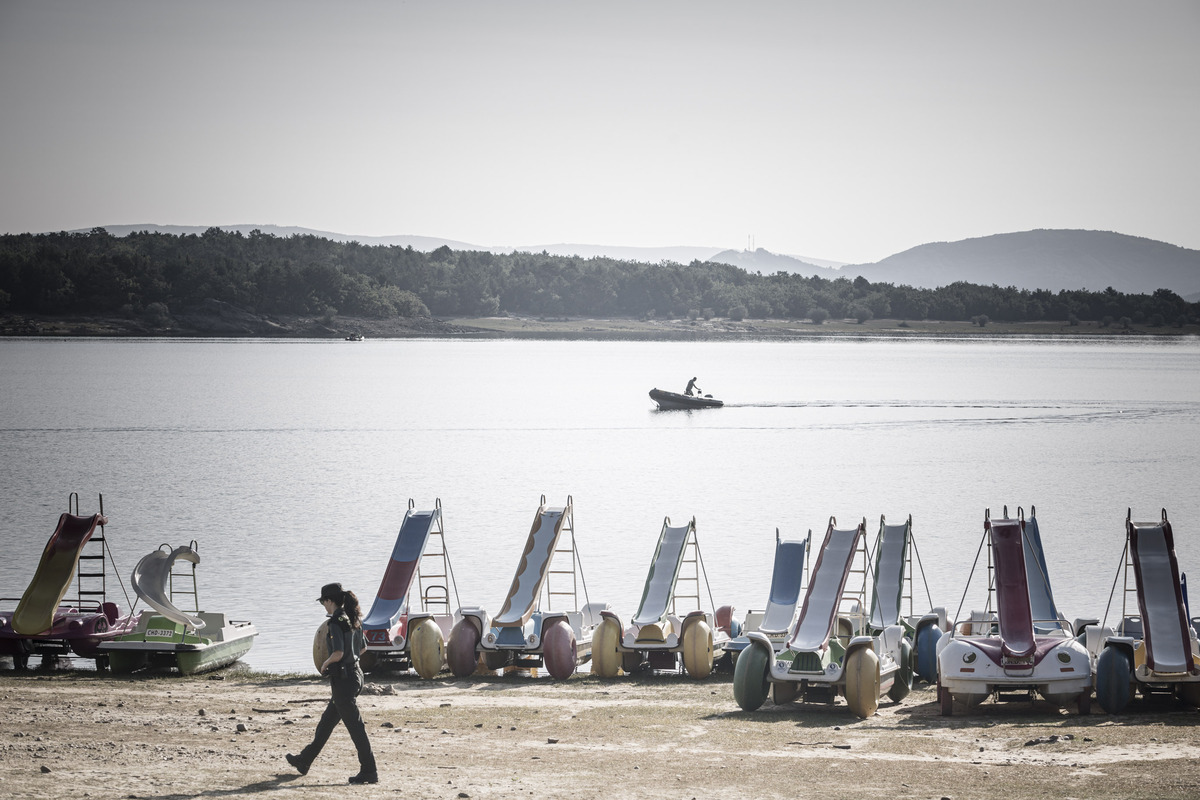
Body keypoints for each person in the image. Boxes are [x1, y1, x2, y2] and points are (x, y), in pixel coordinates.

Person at [286, 582, 378, 784]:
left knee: (356, 728)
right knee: (327, 722)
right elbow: (363, 648)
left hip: (344, 682)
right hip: (356, 676)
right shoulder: (353, 617)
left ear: (329, 601)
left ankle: (369, 771)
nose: (324, 607)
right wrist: (349, 658)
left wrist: (326, 663)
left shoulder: (336, 621)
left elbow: (338, 652)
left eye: (323, 603)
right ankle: (304, 760)